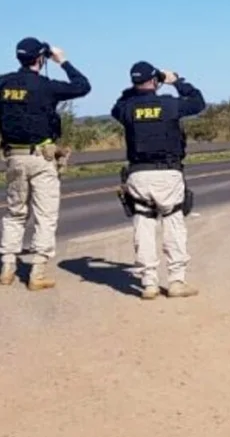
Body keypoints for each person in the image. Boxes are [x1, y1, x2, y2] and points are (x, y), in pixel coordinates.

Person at [0, 38, 91, 290]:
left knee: (15, 213)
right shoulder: (46, 86)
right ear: (41, 58)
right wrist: (62, 60)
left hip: (13, 157)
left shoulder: (3, 83)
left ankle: (7, 266)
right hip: (41, 158)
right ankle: (37, 272)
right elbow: (82, 86)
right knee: (45, 215)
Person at [111, 61, 206, 300]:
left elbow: (117, 105)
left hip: (139, 173)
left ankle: (149, 283)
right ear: (155, 81)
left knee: (143, 225)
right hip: (167, 172)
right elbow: (198, 102)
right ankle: (176, 281)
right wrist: (176, 81)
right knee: (173, 223)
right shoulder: (170, 104)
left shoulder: (127, 108)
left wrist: (137, 87)